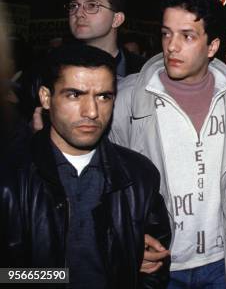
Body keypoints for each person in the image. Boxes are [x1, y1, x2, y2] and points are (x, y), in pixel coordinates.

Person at [110, 0, 226, 288]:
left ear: (212, 46)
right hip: (158, 266)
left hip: (222, 263)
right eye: (166, 33)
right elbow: (102, 180)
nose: (172, 46)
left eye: (187, 36)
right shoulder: (126, 100)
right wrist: (126, 238)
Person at [0, 44, 171, 288]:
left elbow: (157, 266)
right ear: (46, 98)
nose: (91, 111)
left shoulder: (139, 175)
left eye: (103, 97)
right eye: (74, 95)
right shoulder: (9, 178)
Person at [68, 0, 145, 78]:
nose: (78, 13)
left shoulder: (145, 73)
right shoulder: (53, 69)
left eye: (92, 5)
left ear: (116, 19)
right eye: (73, 6)